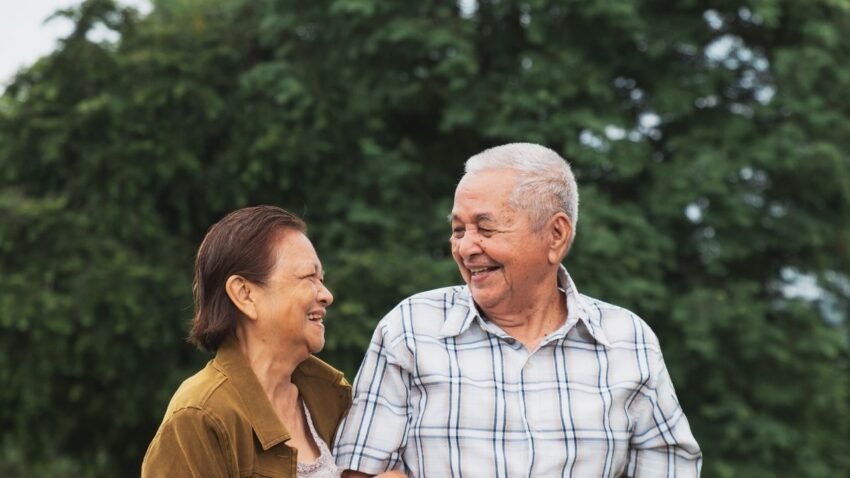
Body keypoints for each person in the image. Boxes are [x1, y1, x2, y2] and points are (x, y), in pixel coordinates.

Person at [334, 143, 703, 477]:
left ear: (556, 235)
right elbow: (358, 471)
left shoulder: (628, 340)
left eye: (486, 229)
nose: (466, 248)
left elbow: (671, 468)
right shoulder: (411, 329)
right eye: (459, 230)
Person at [142, 205, 406, 478]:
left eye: (321, 279)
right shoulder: (200, 415)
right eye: (309, 277)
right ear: (245, 294)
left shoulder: (332, 396)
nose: (326, 295)